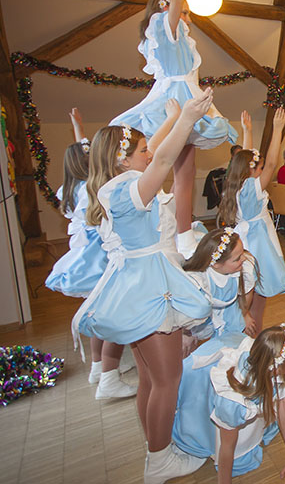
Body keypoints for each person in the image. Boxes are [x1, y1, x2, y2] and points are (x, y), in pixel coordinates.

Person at [72, 90, 215, 482]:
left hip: (138, 287)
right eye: (140, 151)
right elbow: (165, 157)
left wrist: (170, 119)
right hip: (152, 288)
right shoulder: (129, 190)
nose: (148, 153)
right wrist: (186, 117)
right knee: (168, 380)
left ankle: (157, 447)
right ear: (122, 158)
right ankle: (160, 460)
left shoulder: (117, 185)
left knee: (151, 378)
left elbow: (154, 148)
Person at [111, 0, 237, 258]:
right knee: (166, 167)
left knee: (184, 174)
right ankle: (173, 234)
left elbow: (177, 4)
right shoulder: (166, 28)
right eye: (181, 9)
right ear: (169, 8)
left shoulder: (175, 35)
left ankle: (183, 235)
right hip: (177, 102)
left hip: (186, 98)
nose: (187, 15)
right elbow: (177, 1)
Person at [46, 109, 134, 400]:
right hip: (99, 257)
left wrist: (78, 127)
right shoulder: (90, 190)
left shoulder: (68, 189)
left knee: (100, 311)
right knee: (107, 312)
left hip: (84, 254)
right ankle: (103, 370)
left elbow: (83, 152)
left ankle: (99, 367)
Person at [172, 324, 285, 483]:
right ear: (276, 369)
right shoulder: (233, 401)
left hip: (246, 358)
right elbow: (226, 447)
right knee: (225, 441)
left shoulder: (282, 368)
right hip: (206, 379)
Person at [219, 109, 285, 329]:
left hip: (243, 238)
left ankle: (246, 327)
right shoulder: (253, 186)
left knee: (248, 286)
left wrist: (247, 131)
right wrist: (278, 130)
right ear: (253, 171)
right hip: (258, 241)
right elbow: (270, 164)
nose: (262, 171)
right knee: (258, 290)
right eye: (258, 169)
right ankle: (251, 334)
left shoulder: (234, 184)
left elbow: (248, 159)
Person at [183, 228, 258, 341]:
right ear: (216, 264)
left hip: (231, 311)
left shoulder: (245, 267)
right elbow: (184, 313)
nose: (243, 258)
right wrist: (185, 334)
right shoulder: (197, 281)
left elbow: (246, 294)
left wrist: (245, 313)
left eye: (242, 252)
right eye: (237, 258)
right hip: (198, 317)